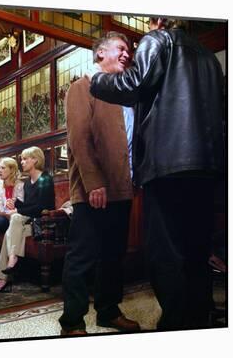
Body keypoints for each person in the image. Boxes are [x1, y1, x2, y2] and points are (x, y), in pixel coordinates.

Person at [89, 18, 225, 330]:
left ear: (158, 20)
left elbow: (133, 84)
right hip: (207, 166)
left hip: (168, 165)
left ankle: (174, 328)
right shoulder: (208, 57)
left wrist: (96, 81)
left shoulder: (159, 40)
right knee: (196, 251)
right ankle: (198, 322)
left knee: (166, 253)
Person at [58, 31, 140, 336]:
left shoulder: (126, 93)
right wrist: (93, 183)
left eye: (128, 50)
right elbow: (78, 138)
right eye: (120, 48)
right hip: (94, 189)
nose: (126, 54)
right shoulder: (83, 87)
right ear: (100, 53)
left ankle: (108, 311)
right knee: (82, 257)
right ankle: (72, 322)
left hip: (123, 187)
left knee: (113, 257)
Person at [0, 147, 55, 293]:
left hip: (42, 225)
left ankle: (4, 277)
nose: (22, 162)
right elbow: (28, 205)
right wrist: (16, 203)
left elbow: (42, 207)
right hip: (27, 223)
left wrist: (18, 209)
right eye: (22, 159)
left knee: (14, 219)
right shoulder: (27, 183)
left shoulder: (45, 179)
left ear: (35, 160)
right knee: (12, 227)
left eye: (25, 159)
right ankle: (8, 269)